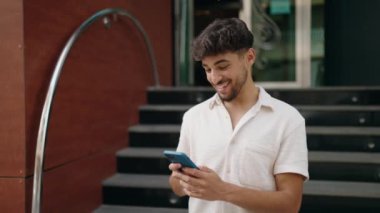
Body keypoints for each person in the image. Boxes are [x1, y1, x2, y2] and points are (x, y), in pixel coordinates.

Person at [168, 18, 308, 213]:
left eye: (223, 66)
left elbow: (290, 204)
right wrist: (183, 180)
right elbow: (176, 185)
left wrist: (222, 191)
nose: (214, 78)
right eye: (208, 69)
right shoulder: (193, 117)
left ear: (249, 57)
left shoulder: (287, 120)